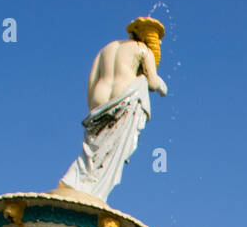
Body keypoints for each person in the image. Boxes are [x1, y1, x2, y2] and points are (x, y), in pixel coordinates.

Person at [55, 17, 168, 205]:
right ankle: (92, 191)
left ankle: (75, 182)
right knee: (110, 151)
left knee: (94, 148)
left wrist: (94, 110)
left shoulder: (107, 49)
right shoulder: (143, 49)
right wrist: (161, 85)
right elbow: (152, 82)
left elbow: (91, 82)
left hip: (99, 98)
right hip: (124, 97)